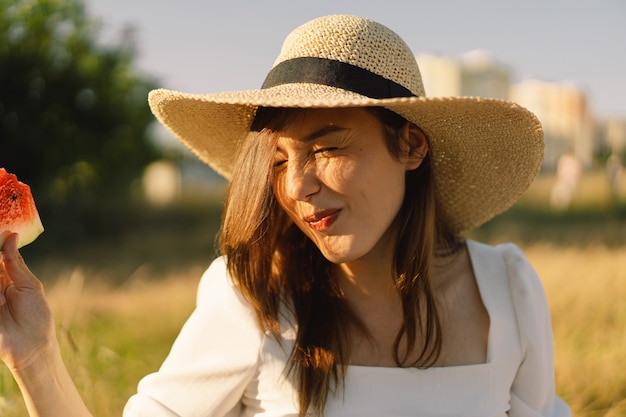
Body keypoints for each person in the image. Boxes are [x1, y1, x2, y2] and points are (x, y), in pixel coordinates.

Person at [0, 14, 570, 417]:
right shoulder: (252, 297)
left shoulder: (507, 290)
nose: (297, 186)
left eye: (328, 148)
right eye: (278, 160)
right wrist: (36, 358)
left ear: (411, 147)